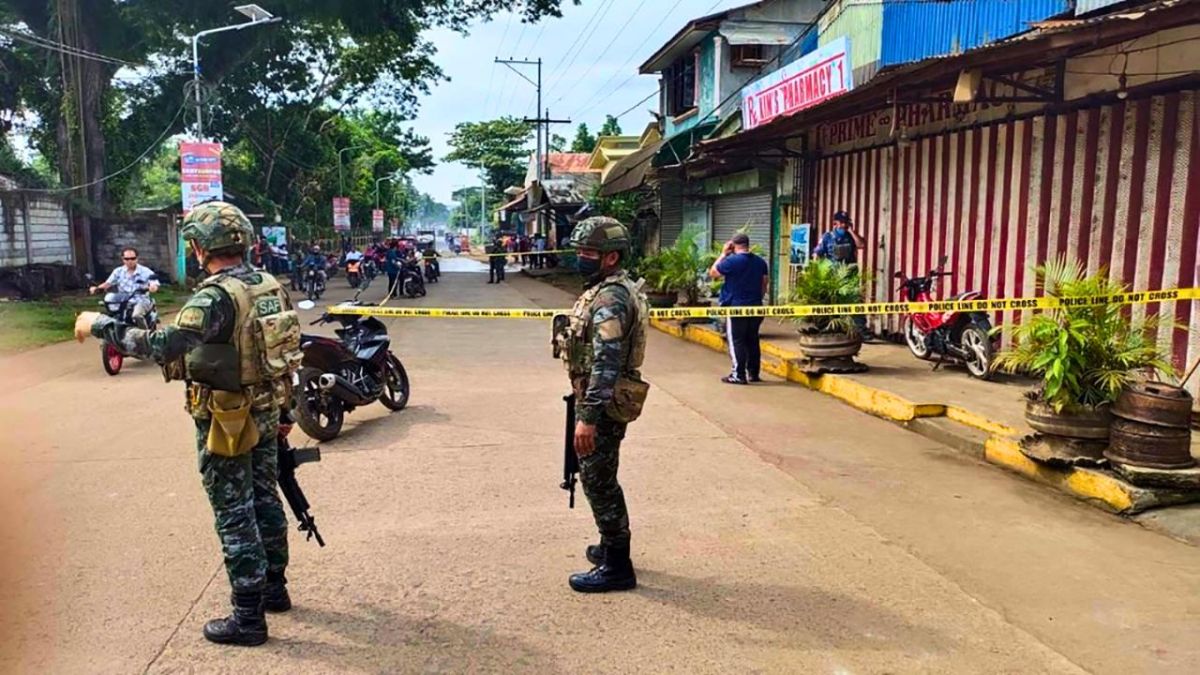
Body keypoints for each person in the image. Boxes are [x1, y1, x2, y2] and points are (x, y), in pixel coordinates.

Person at [74, 202, 300, 646]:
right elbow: (285, 351)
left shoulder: (215, 297)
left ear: (199, 247)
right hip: (267, 409)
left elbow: (162, 345)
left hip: (227, 417)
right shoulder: (269, 285)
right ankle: (275, 589)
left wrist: (100, 325)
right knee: (264, 498)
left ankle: (248, 618)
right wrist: (286, 411)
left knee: (234, 510)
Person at [555, 216, 650, 593]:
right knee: (598, 474)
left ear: (611, 257)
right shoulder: (606, 289)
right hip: (597, 395)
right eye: (579, 250)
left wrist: (589, 417)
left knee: (598, 480)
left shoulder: (611, 299)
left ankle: (618, 565)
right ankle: (610, 546)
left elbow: (606, 363)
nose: (581, 257)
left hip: (604, 402)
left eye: (588, 252)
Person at [709, 233, 770, 384]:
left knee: (737, 340)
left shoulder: (731, 261)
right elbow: (764, 283)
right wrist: (757, 298)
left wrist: (723, 254)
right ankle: (753, 373)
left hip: (736, 307)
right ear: (748, 245)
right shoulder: (760, 262)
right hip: (756, 307)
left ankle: (738, 374)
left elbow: (713, 273)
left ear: (733, 246)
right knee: (752, 340)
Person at [89, 247, 160, 327]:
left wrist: (152, 287)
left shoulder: (145, 271)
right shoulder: (118, 271)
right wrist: (96, 288)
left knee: (136, 315)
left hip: (140, 300)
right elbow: (108, 283)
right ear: (123, 259)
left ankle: (145, 333)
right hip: (123, 301)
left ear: (137, 258)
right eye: (127, 259)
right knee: (109, 317)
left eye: (133, 258)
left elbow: (154, 284)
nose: (130, 261)